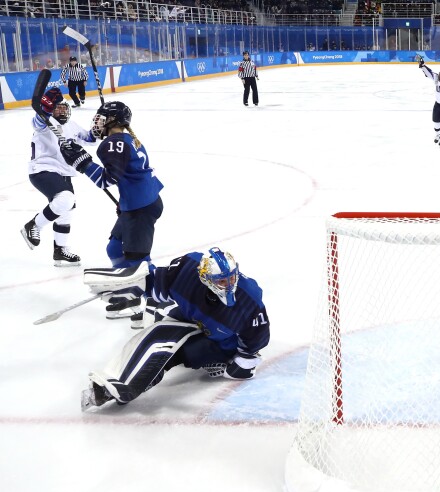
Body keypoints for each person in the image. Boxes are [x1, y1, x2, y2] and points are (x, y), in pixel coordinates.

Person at [80, 248, 270, 410]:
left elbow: (256, 338)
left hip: (222, 341)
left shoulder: (248, 300)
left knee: (188, 353)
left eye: (231, 278)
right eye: (222, 281)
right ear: (206, 279)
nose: (229, 285)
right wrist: (127, 286)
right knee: (158, 333)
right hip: (193, 316)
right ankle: (121, 379)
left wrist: (237, 366)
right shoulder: (188, 270)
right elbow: (157, 282)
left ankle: (131, 385)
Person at [59, 101, 164, 318]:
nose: (97, 121)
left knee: (139, 263)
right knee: (114, 250)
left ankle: (159, 304)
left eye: (102, 117)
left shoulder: (112, 143)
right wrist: (124, 202)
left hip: (140, 208)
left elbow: (107, 180)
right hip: (139, 202)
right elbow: (129, 175)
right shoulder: (128, 139)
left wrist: (83, 162)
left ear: (112, 120)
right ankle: (128, 293)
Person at [21, 87, 97, 267]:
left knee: (67, 209)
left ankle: (60, 250)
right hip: (43, 169)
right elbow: (38, 121)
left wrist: (102, 128)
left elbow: (90, 139)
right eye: (57, 108)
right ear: (51, 109)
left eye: (64, 108)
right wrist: (46, 110)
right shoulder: (45, 122)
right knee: (66, 198)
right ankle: (33, 225)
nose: (62, 111)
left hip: (64, 172)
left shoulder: (72, 126)